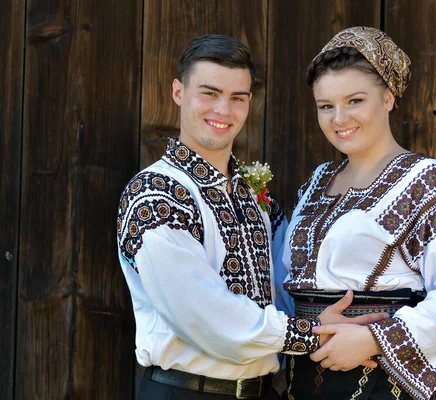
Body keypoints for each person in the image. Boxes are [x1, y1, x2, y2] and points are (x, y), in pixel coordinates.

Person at [116, 34, 386, 400]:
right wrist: (309, 332)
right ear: (178, 92)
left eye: (237, 98)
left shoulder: (256, 197)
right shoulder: (155, 194)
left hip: (263, 391)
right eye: (209, 93)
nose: (223, 110)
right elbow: (205, 315)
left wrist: (366, 327)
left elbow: (291, 280)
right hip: (188, 391)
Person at [281, 26, 436, 400]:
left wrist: (373, 338)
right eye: (326, 106)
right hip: (304, 377)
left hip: (379, 381)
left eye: (355, 100)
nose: (339, 118)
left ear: (389, 99)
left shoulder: (423, 180)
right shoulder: (316, 181)